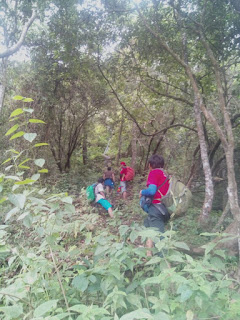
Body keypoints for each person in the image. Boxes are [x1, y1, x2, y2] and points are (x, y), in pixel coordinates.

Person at [139, 155, 170, 256]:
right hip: (165, 209)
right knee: (148, 227)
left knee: (159, 239)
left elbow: (152, 191)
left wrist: (142, 191)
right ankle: (148, 255)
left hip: (156, 209)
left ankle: (164, 267)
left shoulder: (154, 172)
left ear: (150, 165)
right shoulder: (166, 175)